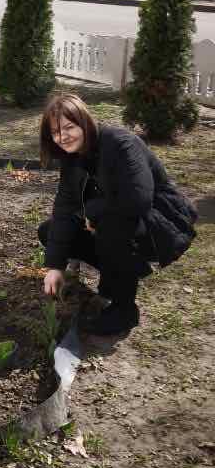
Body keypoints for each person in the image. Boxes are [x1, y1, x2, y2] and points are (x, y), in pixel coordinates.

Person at [38, 93, 196, 336]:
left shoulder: (120, 143)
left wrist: (92, 212)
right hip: (117, 221)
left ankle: (124, 310)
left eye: (69, 127)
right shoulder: (71, 158)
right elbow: (64, 207)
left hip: (160, 222)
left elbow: (138, 199)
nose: (63, 137)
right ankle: (124, 270)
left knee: (111, 226)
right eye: (56, 132)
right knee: (49, 231)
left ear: (85, 122)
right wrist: (55, 266)